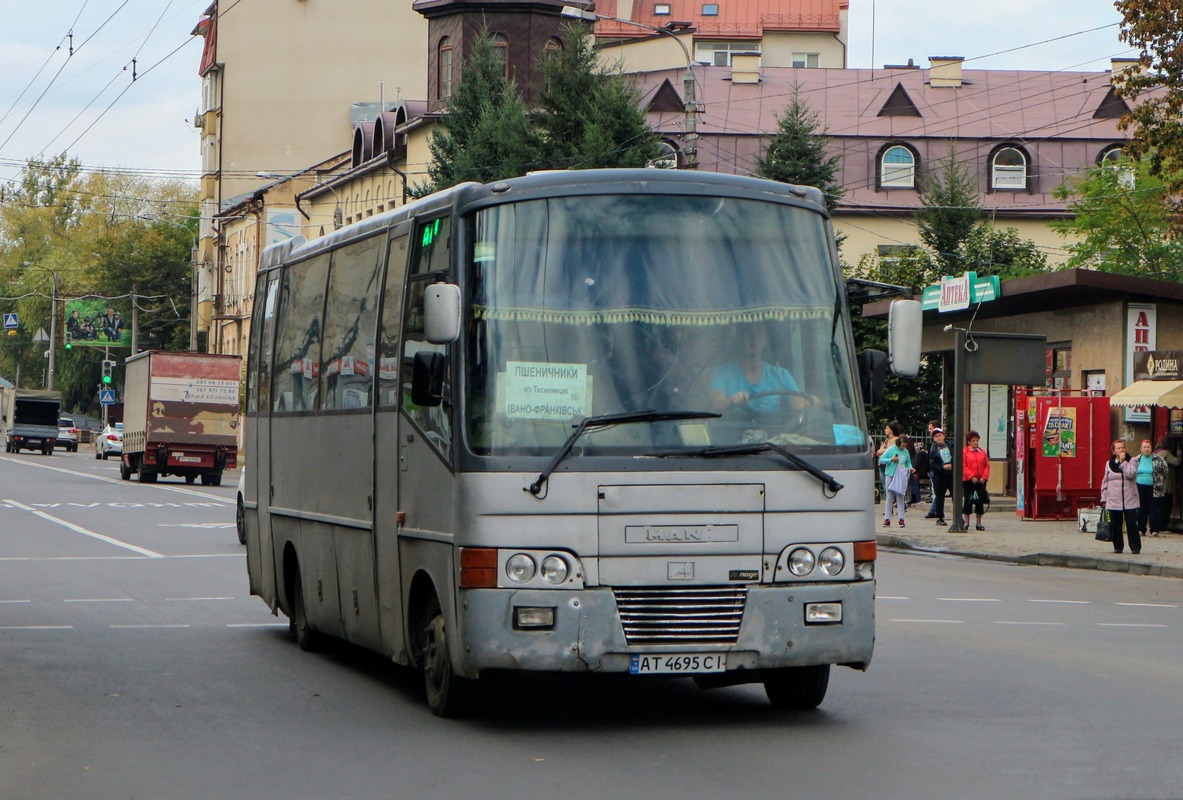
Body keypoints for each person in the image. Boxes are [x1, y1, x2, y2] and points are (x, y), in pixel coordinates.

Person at [708, 324, 813, 414]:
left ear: (765, 339)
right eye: (748, 333)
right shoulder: (722, 372)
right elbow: (716, 404)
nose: (754, 338)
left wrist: (807, 401)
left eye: (758, 332)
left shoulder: (781, 375)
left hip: (774, 435)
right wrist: (732, 400)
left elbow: (797, 403)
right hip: (734, 434)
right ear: (739, 338)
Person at [1100, 439, 1141, 555]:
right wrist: (1103, 497)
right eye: (1118, 448)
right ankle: (1118, 547)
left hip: (1130, 499)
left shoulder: (1132, 461)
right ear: (1114, 451)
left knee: (1131, 524)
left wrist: (1123, 463)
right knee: (1115, 525)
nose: (1121, 450)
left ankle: (1135, 547)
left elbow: (1131, 474)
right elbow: (1105, 482)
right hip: (1113, 499)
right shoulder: (1109, 464)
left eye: (1123, 447)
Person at [1134, 439, 1167, 537]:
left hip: (1155, 487)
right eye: (1144, 447)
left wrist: (1160, 480)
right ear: (1141, 449)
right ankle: (1141, 529)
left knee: (1154, 508)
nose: (1146, 449)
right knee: (1141, 508)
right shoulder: (1136, 459)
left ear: (1151, 448)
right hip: (1139, 486)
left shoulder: (1158, 459)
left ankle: (1154, 530)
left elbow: (1165, 470)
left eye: (1148, 447)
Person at [878, 433, 913, 527]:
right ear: (898, 443)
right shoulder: (891, 449)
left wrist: (910, 468)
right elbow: (881, 459)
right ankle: (887, 518)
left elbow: (908, 462)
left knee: (900, 497)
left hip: (900, 475)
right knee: (889, 497)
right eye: (902, 446)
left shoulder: (906, 452)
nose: (903, 448)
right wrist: (891, 459)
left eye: (904, 446)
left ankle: (901, 519)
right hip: (890, 474)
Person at [962, 430, 990, 530]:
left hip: (980, 481)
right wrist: (971, 476)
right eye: (973, 441)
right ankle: (966, 522)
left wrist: (984, 477)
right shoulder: (965, 451)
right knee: (968, 500)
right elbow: (963, 466)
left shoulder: (982, 452)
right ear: (969, 441)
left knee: (979, 501)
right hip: (968, 480)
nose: (975, 443)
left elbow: (987, 465)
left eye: (977, 441)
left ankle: (978, 523)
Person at [927, 427, 953, 526]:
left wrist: (951, 465)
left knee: (955, 495)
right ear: (934, 438)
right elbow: (932, 463)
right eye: (936, 436)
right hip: (939, 476)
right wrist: (942, 467)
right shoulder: (933, 449)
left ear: (943, 436)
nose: (939, 438)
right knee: (940, 496)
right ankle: (940, 517)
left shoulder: (950, 444)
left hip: (950, 474)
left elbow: (955, 456)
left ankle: (958, 516)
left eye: (940, 436)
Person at [1153, 437, 1180, 534]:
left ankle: (1158, 525)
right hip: (1167, 483)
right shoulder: (1166, 454)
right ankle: (1163, 526)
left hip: (1158, 483)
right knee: (1167, 506)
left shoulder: (1156, 452)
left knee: (1159, 505)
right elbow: (1177, 462)